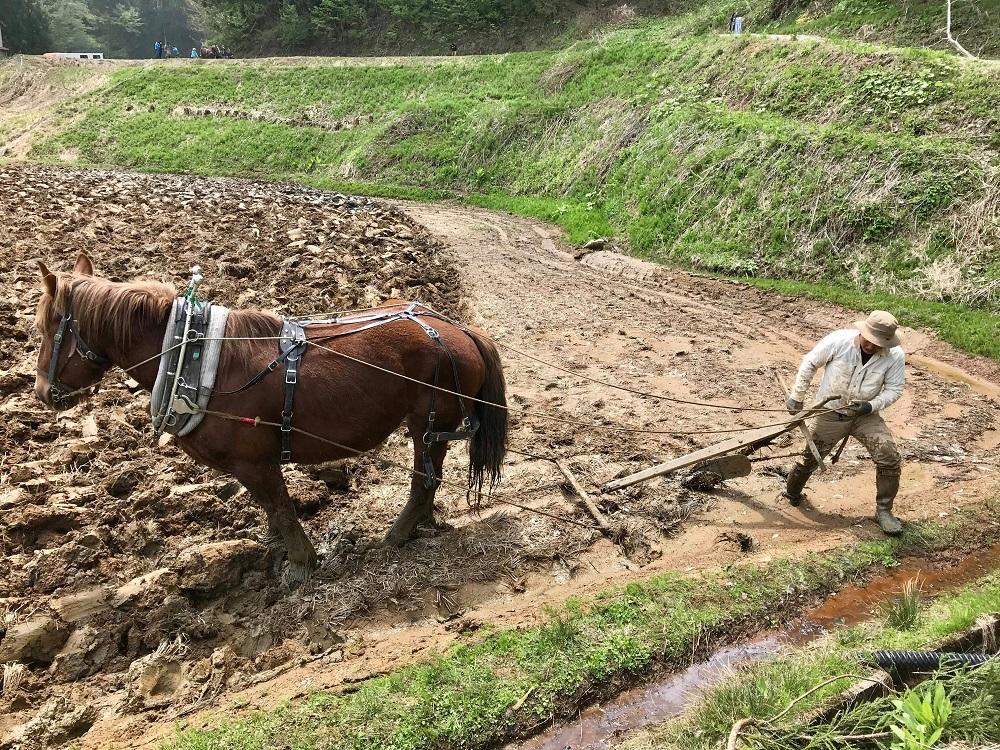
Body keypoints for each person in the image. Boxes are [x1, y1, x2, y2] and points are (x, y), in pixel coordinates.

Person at [783, 311, 905, 535]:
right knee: (810, 458)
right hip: (830, 412)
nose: (871, 346)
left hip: (865, 415)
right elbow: (810, 363)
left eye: (877, 344)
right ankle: (791, 492)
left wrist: (871, 406)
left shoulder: (894, 356)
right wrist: (796, 397)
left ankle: (884, 511)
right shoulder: (839, 341)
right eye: (868, 340)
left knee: (888, 455)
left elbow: (895, 389)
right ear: (862, 332)